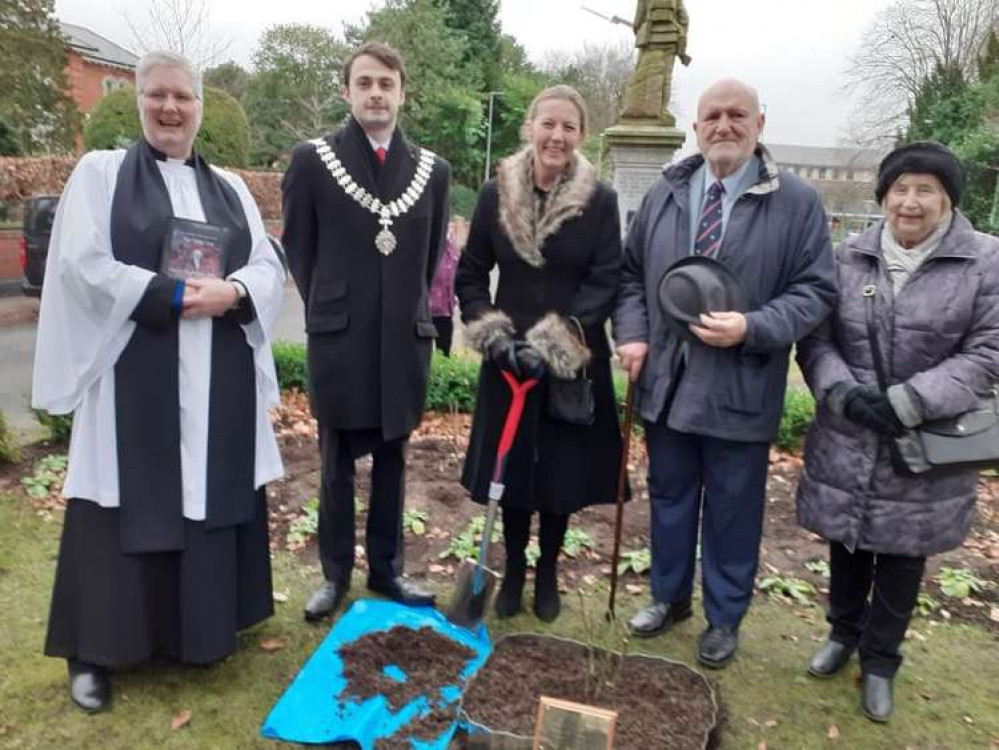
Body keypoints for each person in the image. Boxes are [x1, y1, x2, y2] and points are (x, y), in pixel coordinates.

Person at [31, 50, 286, 712]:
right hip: (131, 371)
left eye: (183, 96)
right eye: (157, 96)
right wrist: (169, 296)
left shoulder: (229, 187)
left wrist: (231, 292)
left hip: (214, 375)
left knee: (204, 491)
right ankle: (96, 650)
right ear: (137, 101)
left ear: (200, 105)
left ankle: (194, 634)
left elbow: (266, 263)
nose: (171, 107)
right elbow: (81, 265)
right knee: (118, 496)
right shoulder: (101, 174)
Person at [613, 78, 837, 667]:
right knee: (669, 497)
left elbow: (815, 292)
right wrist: (633, 334)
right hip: (667, 383)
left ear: (761, 124)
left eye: (737, 115)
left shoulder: (797, 202)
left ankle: (723, 618)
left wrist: (754, 327)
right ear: (696, 126)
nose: (724, 126)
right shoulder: (669, 191)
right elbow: (632, 274)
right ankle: (667, 598)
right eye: (712, 115)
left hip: (741, 385)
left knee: (734, 508)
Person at [795, 141, 999, 722]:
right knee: (848, 540)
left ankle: (881, 660)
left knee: (904, 552)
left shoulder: (986, 262)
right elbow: (816, 338)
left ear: (947, 199)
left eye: (925, 190)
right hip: (850, 428)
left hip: (927, 437)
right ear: (884, 195)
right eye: (900, 189)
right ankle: (842, 633)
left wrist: (910, 400)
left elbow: (988, 352)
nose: (910, 202)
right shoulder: (847, 255)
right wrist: (842, 392)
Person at [282, 42, 449, 620]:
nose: (376, 93)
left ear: (402, 92)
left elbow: (427, 261)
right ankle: (334, 575)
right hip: (340, 338)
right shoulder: (312, 160)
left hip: (402, 340)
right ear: (348, 92)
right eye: (365, 83)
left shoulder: (432, 170)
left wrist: (401, 307)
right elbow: (298, 249)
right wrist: (330, 307)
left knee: (394, 461)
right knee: (334, 464)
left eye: (386, 83)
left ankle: (388, 569)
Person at [456, 85, 624, 622]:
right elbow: (471, 274)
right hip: (507, 358)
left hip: (570, 355)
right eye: (547, 123)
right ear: (529, 127)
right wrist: (495, 337)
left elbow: (604, 281)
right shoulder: (493, 194)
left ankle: (549, 571)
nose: (557, 136)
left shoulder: (601, 202)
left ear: (581, 136)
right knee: (514, 474)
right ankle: (513, 570)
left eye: (568, 127)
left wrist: (554, 345)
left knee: (558, 473)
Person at [429, 219, 462, 356]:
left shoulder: (452, 250)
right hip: (428, 311)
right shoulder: (430, 247)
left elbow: (456, 274)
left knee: (444, 352)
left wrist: (456, 296)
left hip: (446, 311)